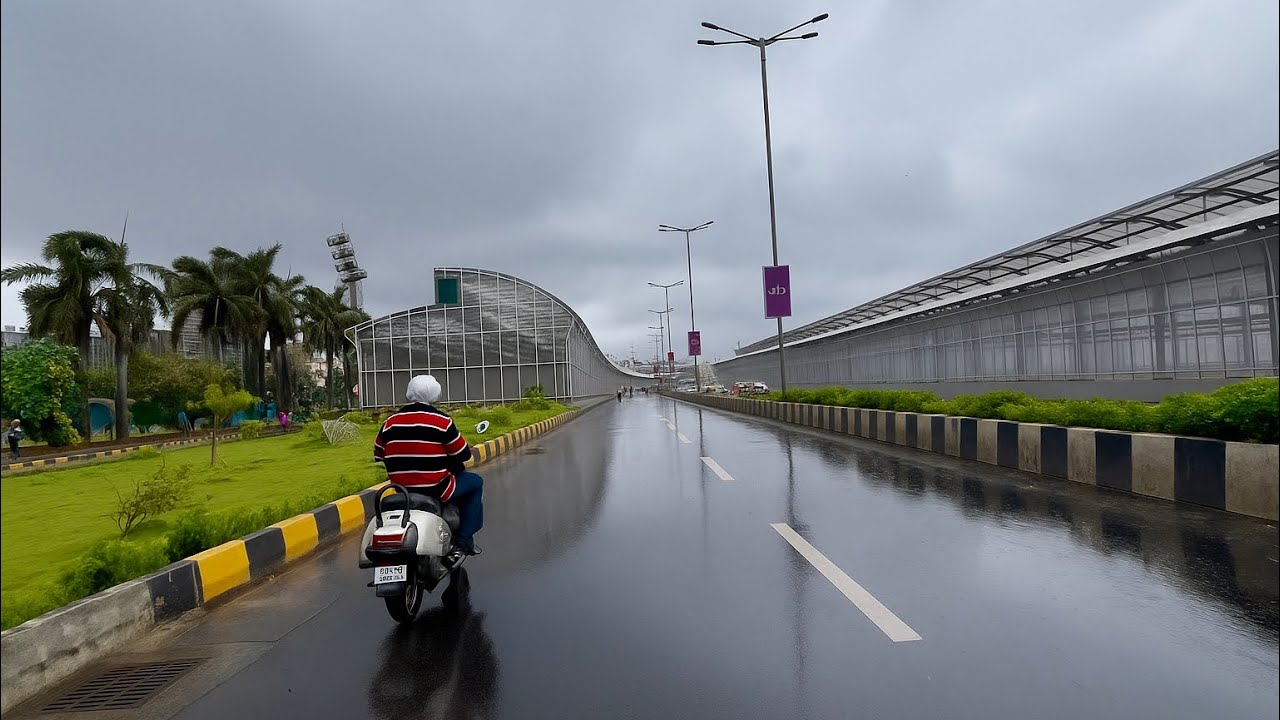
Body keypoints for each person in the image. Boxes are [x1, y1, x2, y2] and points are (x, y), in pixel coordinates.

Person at [374, 375, 484, 555]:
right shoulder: (442, 421)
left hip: (401, 489)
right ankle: (464, 540)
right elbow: (463, 454)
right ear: (435, 393)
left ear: (409, 392)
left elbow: (379, 454)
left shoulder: (390, 423)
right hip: (437, 488)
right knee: (475, 482)